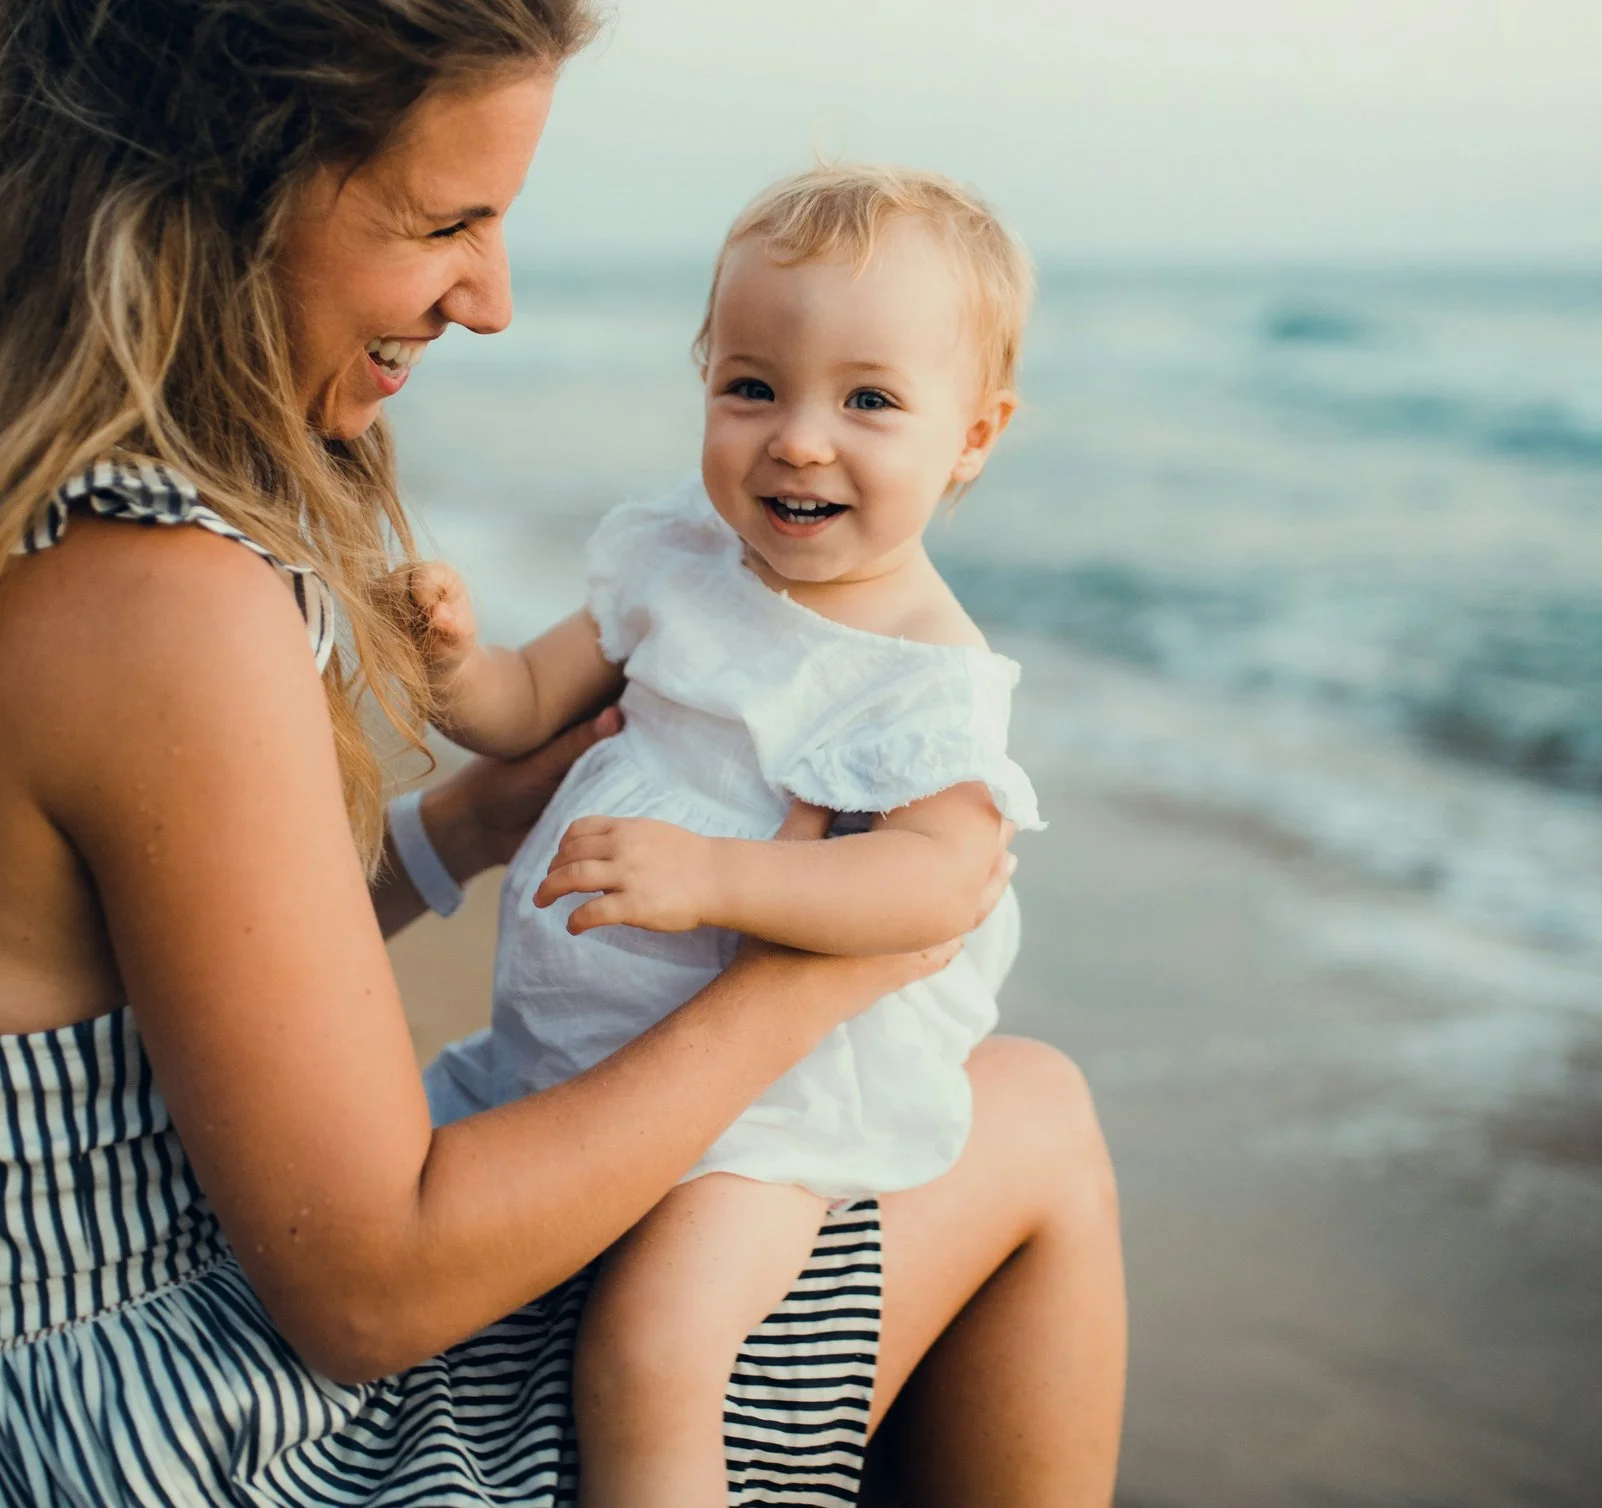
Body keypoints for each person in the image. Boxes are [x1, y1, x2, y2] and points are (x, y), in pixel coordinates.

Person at [0, 1, 1125, 1503]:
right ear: (218, 193)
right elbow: (370, 1293)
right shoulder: (159, 606)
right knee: (1032, 1115)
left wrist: (463, 825)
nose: (493, 299)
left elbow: (151, 968)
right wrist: (817, 977)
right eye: (446, 220)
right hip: (157, 1444)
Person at [410, 163, 1047, 1505]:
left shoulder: (926, 671)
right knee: (400, 1152)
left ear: (973, 437)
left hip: (771, 1114)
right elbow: (527, 704)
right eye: (752, 386)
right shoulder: (678, 565)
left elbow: (938, 883)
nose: (799, 439)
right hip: (569, 1057)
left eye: (869, 400)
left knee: (655, 1347)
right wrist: (455, 663)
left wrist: (715, 875)